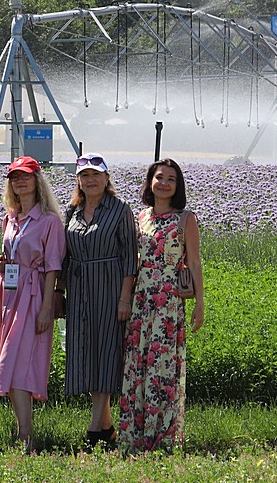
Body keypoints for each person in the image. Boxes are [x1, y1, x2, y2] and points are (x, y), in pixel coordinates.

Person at [0, 156, 64, 451]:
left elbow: (53, 267)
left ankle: (26, 434)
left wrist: (47, 308)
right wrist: (3, 262)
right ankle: (22, 428)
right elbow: (12, 253)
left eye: (25, 176)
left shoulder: (50, 221)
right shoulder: (9, 218)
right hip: (7, 293)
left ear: (37, 181)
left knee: (19, 361)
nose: (20, 181)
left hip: (33, 294)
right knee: (8, 362)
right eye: (14, 177)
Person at [118, 158, 205, 453]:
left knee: (162, 367)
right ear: (150, 182)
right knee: (137, 365)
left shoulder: (185, 219)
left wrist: (200, 304)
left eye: (171, 179)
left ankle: (162, 438)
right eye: (159, 177)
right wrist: (126, 299)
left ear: (177, 186)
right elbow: (133, 262)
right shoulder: (140, 218)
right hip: (142, 298)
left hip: (168, 301)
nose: (164, 183)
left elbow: (194, 262)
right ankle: (135, 436)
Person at [61, 154, 137, 449]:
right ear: (78, 181)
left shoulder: (120, 210)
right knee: (85, 353)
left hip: (109, 285)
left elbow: (130, 256)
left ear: (107, 179)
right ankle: (106, 429)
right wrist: (59, 291)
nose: (90, 180)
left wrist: (124, 298)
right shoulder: (72, 211)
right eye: (85, 175)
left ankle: (94, 431)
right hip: (79, 288)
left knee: (106, 351)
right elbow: (63, 256)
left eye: (96, 175)